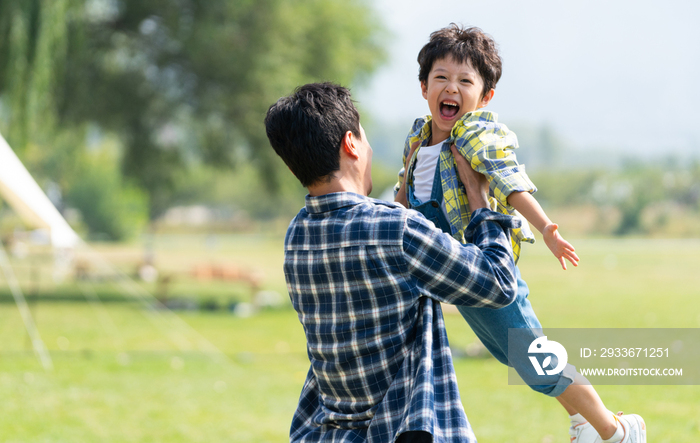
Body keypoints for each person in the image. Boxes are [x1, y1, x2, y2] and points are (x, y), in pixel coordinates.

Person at [394, 24, 646, 443]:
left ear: (484, 96)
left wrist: (546, 228)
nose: (450, 88)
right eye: (441, 77)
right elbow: (404, 194)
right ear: (424, 87)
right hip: (453, 276)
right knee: (517, 356)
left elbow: (509, 180)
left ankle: (617, 431)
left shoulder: (474, 134)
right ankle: (586, 422)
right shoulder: (417, 141)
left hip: (488, 272)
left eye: (464, 81)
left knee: (535, 356)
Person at [265, 82, 521, 443]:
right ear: (351, 143)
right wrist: (480, 202)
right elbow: (497, 282)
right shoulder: (395, 230)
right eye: (365, 139)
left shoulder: (297, 236)